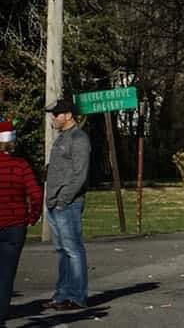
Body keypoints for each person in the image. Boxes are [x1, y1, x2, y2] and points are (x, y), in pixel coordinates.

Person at [43, 98, 90, 311]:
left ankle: (77, 296)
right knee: (62, 251)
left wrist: (63, 200)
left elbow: (80, 175)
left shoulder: (79, 139)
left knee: (73, 250)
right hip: (54, 203)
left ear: (68, 115)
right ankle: (62, 294)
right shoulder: (62, 138)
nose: (53, 118)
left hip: (67, 205)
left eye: (56, 114)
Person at [0, 117, 42, 324]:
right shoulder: (21, 166)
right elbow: (35, 194)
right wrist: (32, 216)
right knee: (6, 274)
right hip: (15, 226)